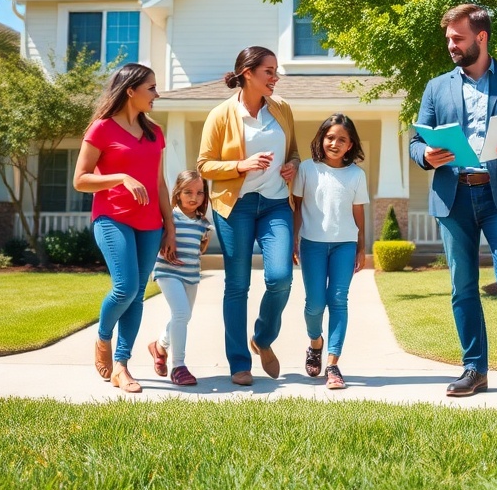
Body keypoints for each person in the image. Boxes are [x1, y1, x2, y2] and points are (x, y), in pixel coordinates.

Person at [409, 4, 497, 402]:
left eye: (458, 38)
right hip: (453, 196)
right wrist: (426, 156)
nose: (451, 45)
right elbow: (415, 142)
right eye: (449, 39)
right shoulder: (436, 87)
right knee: (462, 286)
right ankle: (475, 369)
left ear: (481, 37)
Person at [198, 46, 300, 385]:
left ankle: (262, 338)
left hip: (274, 204)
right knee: (237, 285)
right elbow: (204, 165)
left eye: (275, 71)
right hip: (235, 207)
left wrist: (292, 167)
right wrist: (240, 165)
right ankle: (239, 363)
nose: (275, 77)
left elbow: (296, 153)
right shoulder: (221, 115)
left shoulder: (282, 108)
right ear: (247, 74)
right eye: (268, 71)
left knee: (281, 277)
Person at [73, 63, 177, 394]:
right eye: (151, 88)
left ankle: (121, 366)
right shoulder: (101, 129)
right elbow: (80, 180)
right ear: (131, 90)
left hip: (150, 223)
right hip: (112, 217)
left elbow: (160, 183)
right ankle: (103, 336)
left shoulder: (154, 132)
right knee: (125, 287)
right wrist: (120, 177)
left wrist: (170, 226)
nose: (156, 94)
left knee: (137, 297)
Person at [292, 113, 369, 390]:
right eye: (330, 137)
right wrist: (293, 240)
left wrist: (362, 247)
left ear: (350, 145)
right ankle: (316, 343)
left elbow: (358, 212)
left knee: (338, 300)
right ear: (321, 139)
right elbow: (297, 207)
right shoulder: (307, 170)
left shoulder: (356, 175)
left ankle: (333, 365)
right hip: (312, 243)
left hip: (344, 245)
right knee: (314, 303)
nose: (334, 143)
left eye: (342, 139)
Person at [148, 170, 213, 387]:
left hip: (191, 276)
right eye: (188, 192)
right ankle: (179, 366)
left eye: (199, 193)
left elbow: (200, 249)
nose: (194, 197)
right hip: (168, 272)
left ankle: (159, 345)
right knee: (181, 313)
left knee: (183, 317)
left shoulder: (204, 223)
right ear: (177, 193)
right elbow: (157, 242)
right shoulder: (169, 218)